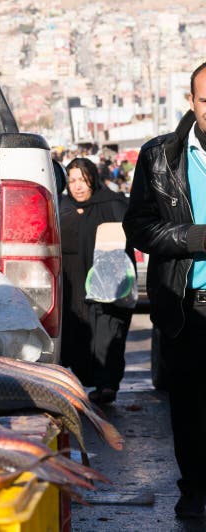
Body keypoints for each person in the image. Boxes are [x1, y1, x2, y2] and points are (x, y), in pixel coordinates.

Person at [123, 61, 206, 520]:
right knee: (189, 409)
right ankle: (194, 489)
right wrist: (193, 238)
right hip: (185, 306)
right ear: (191, 101)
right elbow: (138, 226)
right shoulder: (159, 156)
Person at [59, 157, 133, 404]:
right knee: (79, 336)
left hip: (108, 287)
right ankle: (88, 380)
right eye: (72, 181)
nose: (78, 186)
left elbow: (130, 235)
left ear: (93, 178)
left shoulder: (112, 204)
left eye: (83, 179)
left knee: (107, 333)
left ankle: (107, 384)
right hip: (74, 288)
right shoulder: (61, 207)